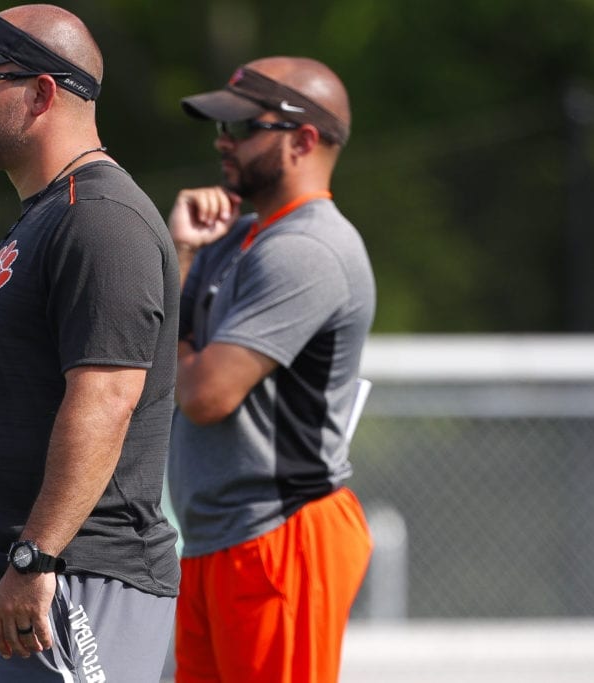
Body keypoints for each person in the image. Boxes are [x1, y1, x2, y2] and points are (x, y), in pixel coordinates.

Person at [0, 5, 180, 682]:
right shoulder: (47, 217)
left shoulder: (101, 220)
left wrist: (34, 557)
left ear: (41, 93)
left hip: (77, 575)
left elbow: (105, 401)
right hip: (24, 574)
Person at [166, 57, 376, 683]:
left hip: (280, 535)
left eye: (241, 127)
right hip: (217, 539)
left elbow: (204, 395)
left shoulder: (307, 249)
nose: (221, 141)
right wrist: (179, 250)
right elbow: (166, 353)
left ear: (304, 139)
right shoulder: (233, 239)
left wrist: (173, 358)